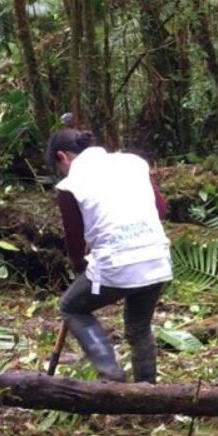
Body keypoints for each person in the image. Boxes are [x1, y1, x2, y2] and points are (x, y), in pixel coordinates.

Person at [48, 129, 172, 383]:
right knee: (138, 327)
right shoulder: (132, 163)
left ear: (63, 157)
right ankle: (148, 392)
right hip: (156, 257)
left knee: (71, 307)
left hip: (117, 264)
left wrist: (79, 264)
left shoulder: (70, 185)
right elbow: (160, 209)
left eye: (59, 166)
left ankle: (110, 371)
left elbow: (74, 239)